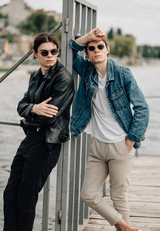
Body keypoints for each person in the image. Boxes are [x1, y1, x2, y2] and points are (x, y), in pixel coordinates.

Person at [69, 28, 149, 231]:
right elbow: (71, 48)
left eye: (100, 47)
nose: (96, 50)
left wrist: (131, 139)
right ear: (87, 54)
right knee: (87, 194)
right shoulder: (86, 70)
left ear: (107, 49)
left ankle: (124, 228)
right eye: (91, 48)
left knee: (118, 196)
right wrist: (87, 38)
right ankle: (123, 225)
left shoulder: (123, 73)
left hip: (120, 144)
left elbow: (142, 107)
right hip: (97, 145)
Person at [3, 32, 74, 231]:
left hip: (47, 142)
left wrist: (30, 113)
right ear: (35, 54)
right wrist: (33, 108)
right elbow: (22, 104)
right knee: (10, 194)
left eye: (54, 51)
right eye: (45, 52)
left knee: (26, 198)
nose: (50, 55)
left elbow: (49, 116)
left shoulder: (63, 79)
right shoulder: (35, 76)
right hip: (31, 138)